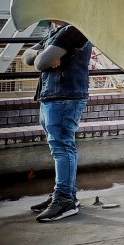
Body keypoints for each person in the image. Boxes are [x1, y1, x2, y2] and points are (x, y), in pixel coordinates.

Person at [23, 22, 94, 222]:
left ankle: (64, 199)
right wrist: (46, 54)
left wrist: (44, 56)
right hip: (53, 96)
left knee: (62, 147)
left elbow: (38, 64)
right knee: (60, 147)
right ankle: (65, 195)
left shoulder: (75, 30)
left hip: (65, 96)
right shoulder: (56, 33)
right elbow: (27, 56)